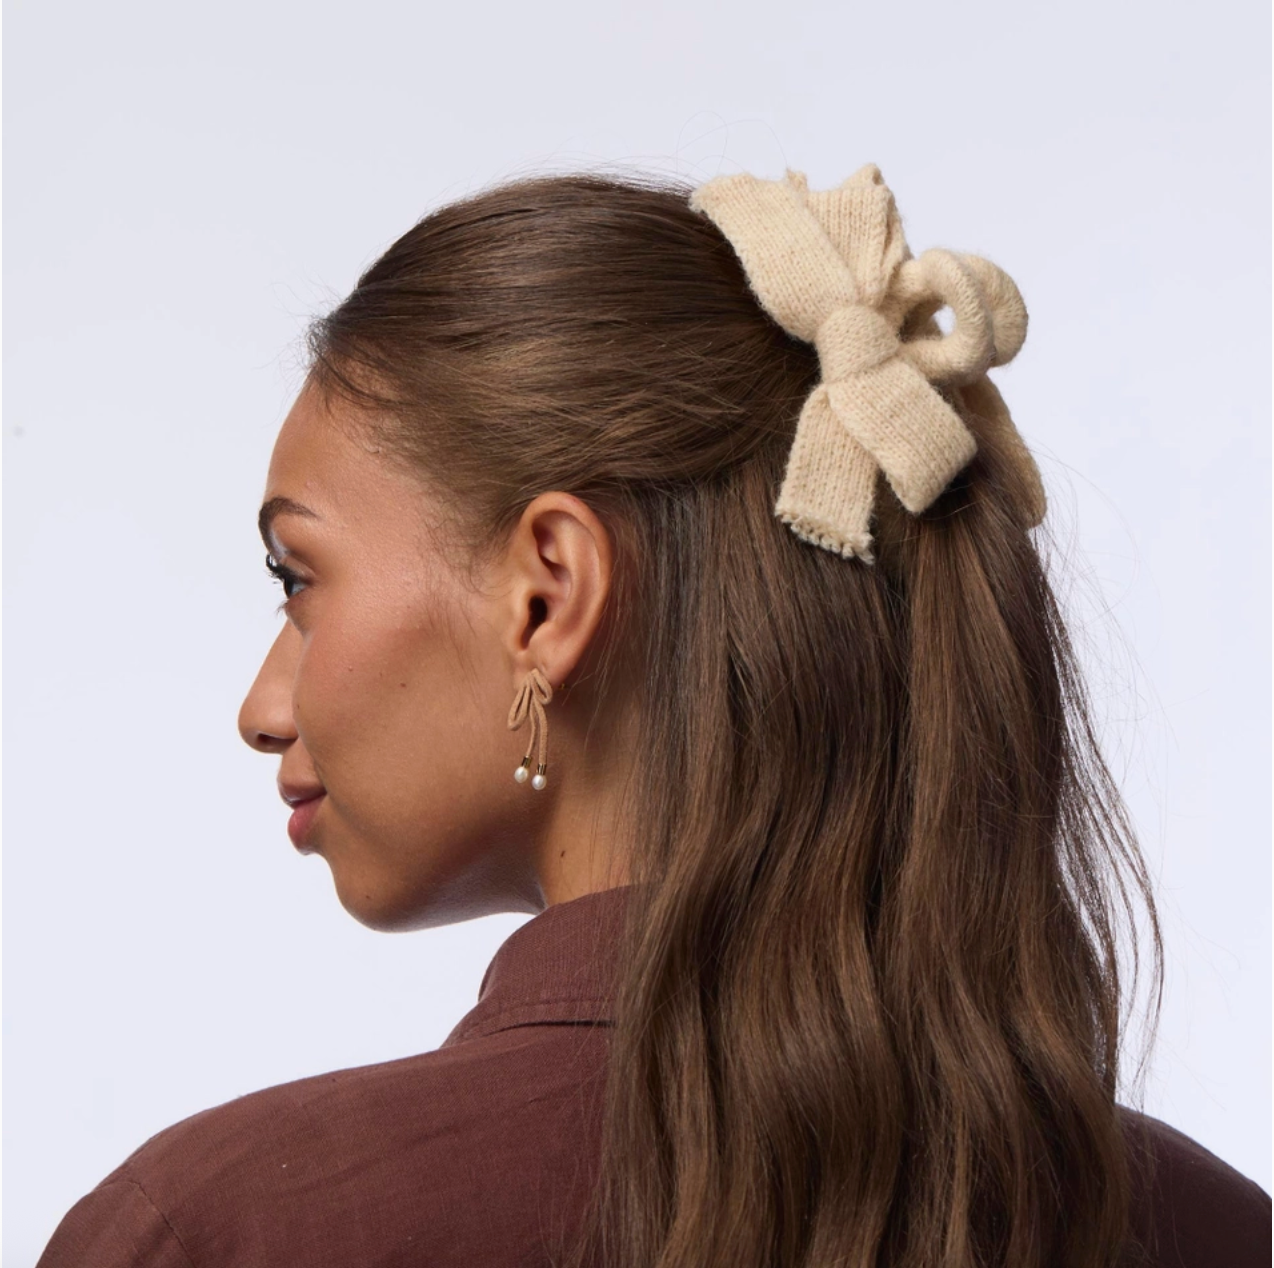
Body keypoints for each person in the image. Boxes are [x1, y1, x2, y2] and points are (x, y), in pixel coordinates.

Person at [37, 163, 1270, 1268]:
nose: (263, 709)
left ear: (545, 596)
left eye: (297, 581)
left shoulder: (223, 1230)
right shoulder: (1216, 1230)